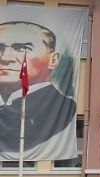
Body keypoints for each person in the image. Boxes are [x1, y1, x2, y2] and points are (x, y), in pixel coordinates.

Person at [0, 19, 78, 155]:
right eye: (0, 48)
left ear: (53, 60)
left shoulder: (64, 108)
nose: (5, 58)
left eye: (22, 49)